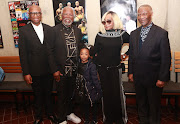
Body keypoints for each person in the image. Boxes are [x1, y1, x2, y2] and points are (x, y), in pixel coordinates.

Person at [128, 4, 171, 124]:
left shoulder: (161, 33)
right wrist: (130, 72)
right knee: (141, 105)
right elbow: (132, 55)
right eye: (139, 14)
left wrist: (162, 78)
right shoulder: (134, 34)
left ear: (151, 14)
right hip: (138, 79)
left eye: (144, 14)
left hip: (154, 79)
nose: (141, 17)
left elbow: (166, 58)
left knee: (154, 107)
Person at [18, 5, 57, 124]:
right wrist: (26, 72)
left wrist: (55, 69)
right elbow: (23, 54)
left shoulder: (49, 29)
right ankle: (38, 116)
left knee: (48, 94)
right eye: (33, 13)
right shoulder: (23, 31)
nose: (36, 15)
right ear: (29, 16)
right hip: (34, 71)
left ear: (41, 15)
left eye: (38, 13)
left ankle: (50, 114)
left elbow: (53, 51)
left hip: (48, 69)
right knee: (38, 95)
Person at [93, 11, 130, 124]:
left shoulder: (122, 34)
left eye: (109, 21)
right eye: (104, 21)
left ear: (115, 21)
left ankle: (120, 119)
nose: (106, 24)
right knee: (106, 94)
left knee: (117, 95)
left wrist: (126, 54)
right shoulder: (99, 34)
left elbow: (134, 43)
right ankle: (108, 118)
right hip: (102, 69)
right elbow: (95, 52)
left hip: (116, 69)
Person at [52, 6, 84, 124]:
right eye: (65, 14)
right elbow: (50, 51)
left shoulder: (77, 30)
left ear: (73, 17)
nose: (68, 17)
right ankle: (61, 118)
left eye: (70, 15)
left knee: (71, 94)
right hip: (61, 70)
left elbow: (80, 45)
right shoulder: (54, 30)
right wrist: (54, 69)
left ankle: (69, 113)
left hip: (74, 69)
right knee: (62, 95)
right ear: (61, 16)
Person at [75, 47, 102, 124]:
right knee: (85, 105)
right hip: (82, 90)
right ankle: (86, 119)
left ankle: (94, 120)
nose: (83, 56)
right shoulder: (78, 64)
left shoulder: (92, 65)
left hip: (91, 89)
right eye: (82, 54)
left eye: (86, 54)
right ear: (79, 55)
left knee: (94, 105)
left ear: (89, 55)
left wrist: (99, 90)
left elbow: (95, 79)